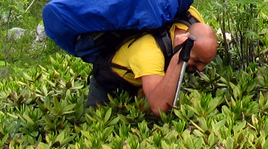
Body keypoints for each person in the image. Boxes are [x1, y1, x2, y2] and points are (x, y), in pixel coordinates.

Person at [86, 7, 218, 113]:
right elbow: (160, 108)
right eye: (197, 61)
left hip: (144, 85)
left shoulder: (192, 17)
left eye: (204, 63)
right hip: (111, 86)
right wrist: (177, 59)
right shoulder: (148, 51)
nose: (200, 69)